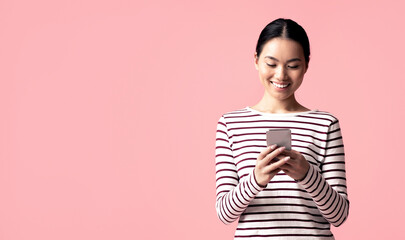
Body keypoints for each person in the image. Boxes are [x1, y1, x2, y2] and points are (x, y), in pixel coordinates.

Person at [215, 18, 349, 239]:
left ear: (306, 64)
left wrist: (307, 175)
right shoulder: (230, 124)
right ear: (256, 60)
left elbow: (340, 215)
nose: (281, 75)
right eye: (271, 64)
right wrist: (256, 179)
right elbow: (224, 213)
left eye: (293, 66)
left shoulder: (326, 124)